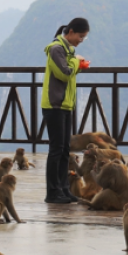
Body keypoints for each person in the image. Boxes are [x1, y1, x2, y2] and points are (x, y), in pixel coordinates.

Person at [42, 18, 89, 204]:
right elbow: (64, 73)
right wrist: (77, 62)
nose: (80, 40)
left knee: (64, 150)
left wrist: (76, 62)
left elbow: (69, 70)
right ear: (70, 32)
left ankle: (63, 188)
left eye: (83, 38)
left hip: (65, 104)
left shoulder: (67, 49)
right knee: (56, 149)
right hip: (54, 104)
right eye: (80, 36)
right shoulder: (56, 48)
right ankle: (52, 192)